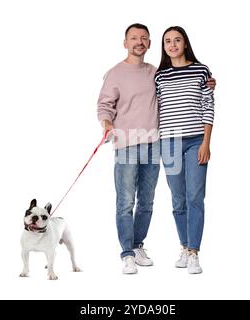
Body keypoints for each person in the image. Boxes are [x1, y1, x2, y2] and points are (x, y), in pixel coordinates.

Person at [97, 23, 160, 274]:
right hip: (125, 145)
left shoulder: (156, 72)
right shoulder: (114, 73)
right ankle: (126, 254)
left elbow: (177, 88)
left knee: (146, 202)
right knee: (125, 202)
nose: (139, 41)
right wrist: (107, 124)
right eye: (134, 37)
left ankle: (137, 245)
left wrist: (206, 83)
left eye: (144, 38)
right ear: (125, 43)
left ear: (149, 43)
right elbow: (104, 105)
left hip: (153, 145)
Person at [155, 26, 215, 274]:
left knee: (194, 197)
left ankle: (194, 252)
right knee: (178, 199)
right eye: (167, 41)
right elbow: (150, 105)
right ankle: (183, 245)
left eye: (177, 40)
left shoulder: (201, 71)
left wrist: (206, 143)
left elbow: (208, 105)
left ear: (185, 43)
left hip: (195, 141)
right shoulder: (160, 76)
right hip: (168, 143)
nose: (172, 44)